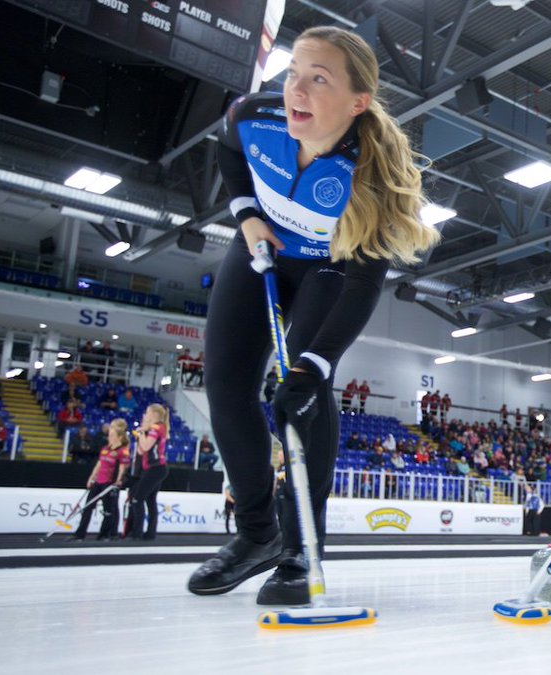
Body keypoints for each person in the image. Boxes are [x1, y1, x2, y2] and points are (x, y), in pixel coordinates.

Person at [187, 25, 439, 607]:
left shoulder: (370, 175)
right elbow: (229, 149)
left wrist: (315, 365)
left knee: (304, 395)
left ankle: (302, 549)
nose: (296, 89)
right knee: (225, 385)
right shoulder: (252, 116)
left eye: (318, 80)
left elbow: (363, 284)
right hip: (262, 248)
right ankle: (258, 536)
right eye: (293, 73)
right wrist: (247, 214)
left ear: (357, 103)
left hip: (331, 268)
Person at [72, 419, 130, 542]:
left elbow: (122, 468)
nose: (109, 438)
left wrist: (118, 481)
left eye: (112, 436)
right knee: (88, 507)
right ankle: (79, 534)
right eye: (109, 435)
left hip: (109, 483)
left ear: (119, 437)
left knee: (108, 510)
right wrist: (92, 477)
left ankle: (105, 534)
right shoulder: (105, 448)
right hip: (98, 482)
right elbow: (99, 464)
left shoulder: (122, 451)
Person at [126, 404, 170, 540]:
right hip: (153, 468)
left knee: (137, 499)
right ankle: (149, 533)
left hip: (155, 468)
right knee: (150, 500)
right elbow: (140, 451)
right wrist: (142, 434)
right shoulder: (155, 429)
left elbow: (145, 446)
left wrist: (141, 434)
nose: (145, 415)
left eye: (147, 413)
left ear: (154, 415)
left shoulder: (157, 428)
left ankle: (137, 532)